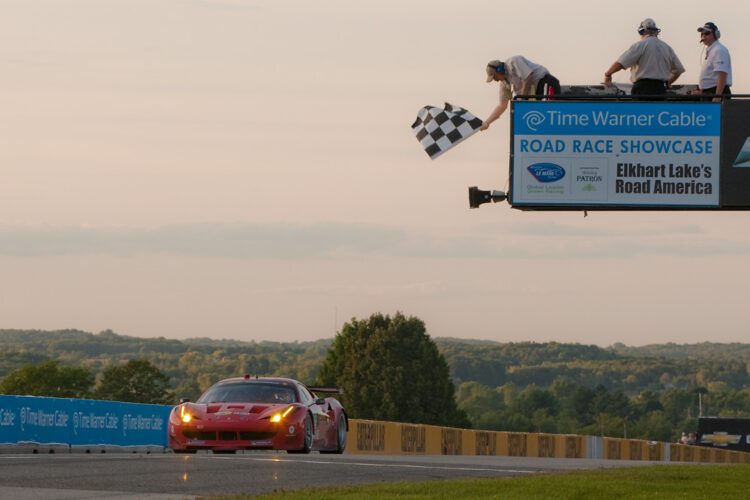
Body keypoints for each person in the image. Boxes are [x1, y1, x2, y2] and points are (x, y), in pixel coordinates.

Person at [603, 18, 685, 98]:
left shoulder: (640, 45)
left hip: (642, 88)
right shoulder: (667, 48)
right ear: (656, 32)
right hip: (660, 90)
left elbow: (621, 63)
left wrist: (608, 74)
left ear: (641, 31)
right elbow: (679, 70)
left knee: (641, 110)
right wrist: (668, 83)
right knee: (657, 111)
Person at [481, 56, 560, 131]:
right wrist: (487, 122)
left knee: (551, 115)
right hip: (534, 96)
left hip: (545, 84)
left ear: (499, 70)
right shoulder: (504, 84)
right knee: (539, 122)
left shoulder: (514, 62)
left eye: (494, 77)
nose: (495, 80)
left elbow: (528, 78)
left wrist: (521, 100)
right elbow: (502, 105)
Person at [691, 22, 732, 102]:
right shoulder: (712, 50)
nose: (703, 36)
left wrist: (717, 95)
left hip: (716, 93)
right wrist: (702, 92)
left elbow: (722, 74)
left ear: (716, 34)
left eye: (707, 33)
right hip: (709, 93)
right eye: (702, 34)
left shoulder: (719, 50)